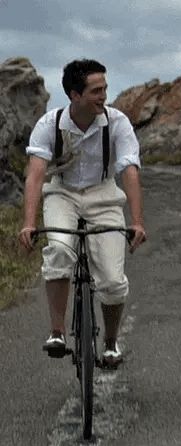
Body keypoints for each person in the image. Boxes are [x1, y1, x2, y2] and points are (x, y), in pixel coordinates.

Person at [18, 59, 146, 368]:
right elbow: (35, 176)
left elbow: (129, 170)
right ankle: (57, 332)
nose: (104, 96)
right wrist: (29, 224)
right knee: (60, 251)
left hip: (104, 195)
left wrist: (137, 221)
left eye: (105, 89)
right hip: (62, 193)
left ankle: (111, 342)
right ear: (74, 95)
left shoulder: (117, 123)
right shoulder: (50, 125)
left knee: (113, 282)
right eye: (96, 91)